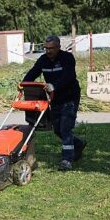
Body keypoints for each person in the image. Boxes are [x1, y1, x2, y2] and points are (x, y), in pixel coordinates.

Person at [22, 35, 87, 171]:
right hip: (55, 98)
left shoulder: (67, 58)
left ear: (58, 47)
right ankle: (78, 143)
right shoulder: (43, 60)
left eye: (51, 48)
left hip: (70, 97)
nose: (48, 51)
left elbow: (68, 77)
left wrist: (54, 86)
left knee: (65, 127)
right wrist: (23, 83)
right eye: (46, 48)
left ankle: (66, 160)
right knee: (57, 129)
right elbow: (33, 73)